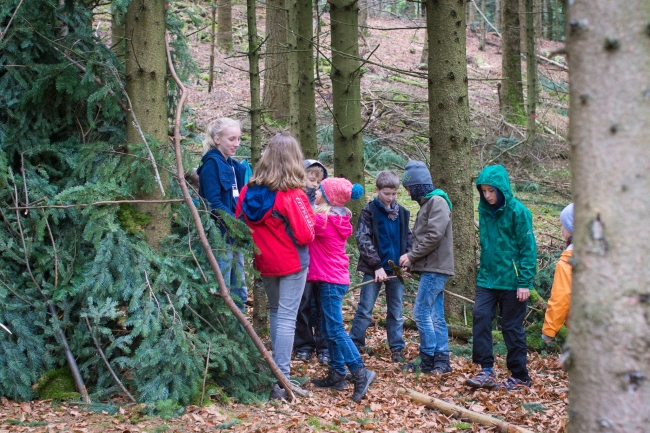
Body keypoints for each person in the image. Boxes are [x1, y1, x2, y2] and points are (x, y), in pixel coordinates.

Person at [236, 133, 315, 400]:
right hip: (292, 261)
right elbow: (306, 234)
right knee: (286, 318)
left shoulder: (249, 190)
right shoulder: (293, 195)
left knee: (275, 312)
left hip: (264, 260)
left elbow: (239, 222)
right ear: (294, 159)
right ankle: (283, 379)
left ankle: (276, 375)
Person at [466, 165, 537, 391]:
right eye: (484, 191)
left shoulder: (519, 212)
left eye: (491, 191)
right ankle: (486, 370)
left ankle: (519, 375)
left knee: (511, 327)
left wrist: (524, 281)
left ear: (502, 189)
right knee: (480, 316)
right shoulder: (484, 210)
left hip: (513, 281)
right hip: (487, 278)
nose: (487, 196)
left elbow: (528, 249)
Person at [309, 177, 376, 403]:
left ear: (328, 198)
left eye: (319, 189)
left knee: (335, 329)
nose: (315, 191)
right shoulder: (338, 217)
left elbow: (301, 222)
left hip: (329, 280)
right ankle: (337, 374)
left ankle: (359, 371)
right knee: (329, 328)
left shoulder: (322, 219)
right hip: (335, 278)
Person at [397, 161, 455, 374]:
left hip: (436, 268)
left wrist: (411, 256)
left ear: (418, 185)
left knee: (421, 311)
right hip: (431, 267)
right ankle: (442, 360)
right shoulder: (428, 204)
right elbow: (427, 239)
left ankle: (428, 358)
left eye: (409, 188)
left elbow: (433, 236)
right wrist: (414, 263)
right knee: (436, 315)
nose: (408, 192)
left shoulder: (437, 202)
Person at [349, 171, 412, 363]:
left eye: (394, 194)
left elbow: (408, 237)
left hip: (396, 270)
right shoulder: (369, 211)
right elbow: (363, 239)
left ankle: (397, 347)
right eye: (386, 194)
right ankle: (355, 344)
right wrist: (376, 265)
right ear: (377, 190)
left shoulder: (401, 212)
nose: (390, 198)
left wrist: (409, 258)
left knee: (396, 310)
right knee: (365, 308)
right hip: (373, 268)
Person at [197, 118, 248, 311]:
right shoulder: (212, 164)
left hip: (235, 235)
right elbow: (213, 203)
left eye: (239, 139)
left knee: (239, 288)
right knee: (225, 287)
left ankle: (241, 333)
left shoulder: (234, 166)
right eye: (231, 139)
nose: (236, 143)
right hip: (221, 234)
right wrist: (237, 225)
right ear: (217, 139)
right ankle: (224, 330)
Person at [294, 160, 331, 365]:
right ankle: (304, 345)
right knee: (303, 303)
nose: (315, 185)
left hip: (323, 264)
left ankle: (324, 346)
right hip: (303, 261)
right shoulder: (296, 200)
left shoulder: (326, 205)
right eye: (311, 179)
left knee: (323, 305)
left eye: (319, 181)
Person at [542, 203, 574, 344]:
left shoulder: (568, 260)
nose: (562, 230)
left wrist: (549, 330)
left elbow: (561, 297)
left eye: (563, 225)